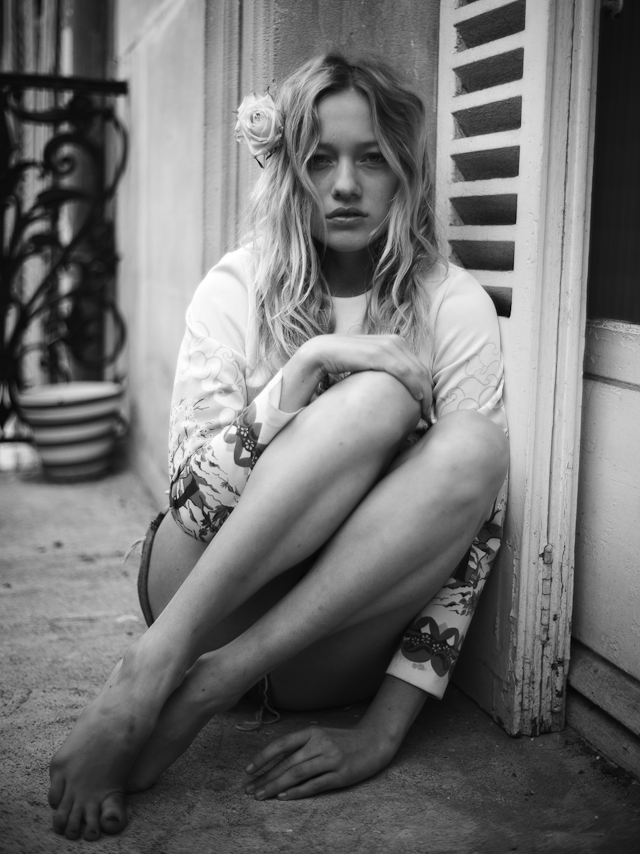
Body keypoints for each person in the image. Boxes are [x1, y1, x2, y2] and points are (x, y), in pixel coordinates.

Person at [47, 53, 509, 841]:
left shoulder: (451, 302)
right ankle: (147, 672)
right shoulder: (237, 287)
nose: (345, 185)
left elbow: (474, 528)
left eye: (371, 158)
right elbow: (190, 501)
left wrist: (380, 731)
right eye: (320, 159)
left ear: (404, 172)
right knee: (377, 394)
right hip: (197, 602)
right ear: (290, 170)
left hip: (324, 644)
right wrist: (304, 371)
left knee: (475, 447)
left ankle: (205, 689)